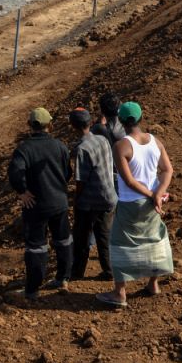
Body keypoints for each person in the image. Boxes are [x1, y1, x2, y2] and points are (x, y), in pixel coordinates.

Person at [97, 102, 174, 308]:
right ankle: (153, 284)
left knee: (118, 244)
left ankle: (119, 292)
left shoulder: (121, 146)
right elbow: (167, 170)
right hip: (152, 204)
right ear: (141, 118)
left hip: (131, 203)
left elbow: (129, 181)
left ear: (120, 121)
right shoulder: (155, 142)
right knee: (154, 240)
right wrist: (157, 194)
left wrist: (152, 194)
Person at [8, 107, 72, 298]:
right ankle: (63, 278)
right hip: (59, 202)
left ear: (30, 125)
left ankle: (33, 289)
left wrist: (22, 192)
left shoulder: (24, 149)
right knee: (63, 241)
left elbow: (14, 173)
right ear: (49, 125)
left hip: (35, 206)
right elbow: (67, 172)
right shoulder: (60, 146)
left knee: (36, 247)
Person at [68, 107, 117, 282]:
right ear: (90, 122)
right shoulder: (102, 139)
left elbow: (80, 181)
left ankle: (77, 272)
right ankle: (109, 270)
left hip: (91, 201)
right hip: (109, 195)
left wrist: (76, 200)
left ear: (72, 125)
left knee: (81, 236)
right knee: (104, 235)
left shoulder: (82, 150)